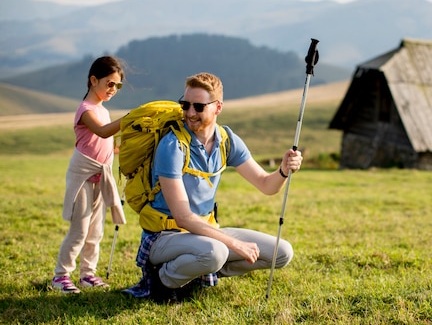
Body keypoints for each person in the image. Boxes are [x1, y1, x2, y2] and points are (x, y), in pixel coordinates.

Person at [124, 72, 300, 302]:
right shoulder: (172, 146)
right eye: (185, 105)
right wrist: (235, 243)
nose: (190, 113)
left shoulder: (227, 140)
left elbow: (267, 185)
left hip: (206, 233)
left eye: (198, 106)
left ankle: (193, 275)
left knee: (282, 252)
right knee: (216, 252)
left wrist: (284, 170)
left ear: (218, 108)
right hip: (165, 236)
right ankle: (163, 280)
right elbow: (184, 217)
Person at [52, 56, 127, 294]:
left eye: (118, 86)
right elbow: (103, 133)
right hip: (83, 176)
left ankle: (88, 274)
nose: (113, 89)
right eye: (109, 83)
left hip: (101, 177)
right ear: (93, 80)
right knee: (80, 230)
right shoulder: (85, 110)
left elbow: (106, 145)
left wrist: (122, 149)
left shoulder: (104, 110)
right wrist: (130, 118)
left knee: (96, 230)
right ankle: (61, 276)